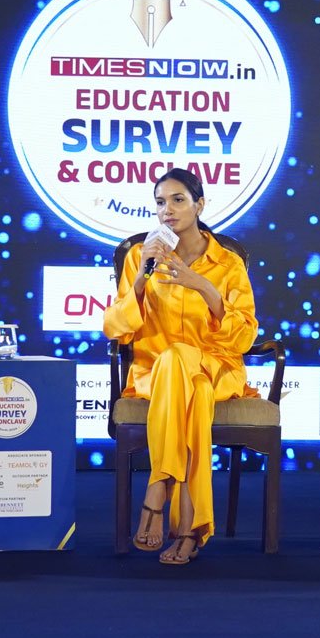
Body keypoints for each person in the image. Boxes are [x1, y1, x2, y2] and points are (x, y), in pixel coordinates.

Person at [103, 168, 259, 565]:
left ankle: (158, 487)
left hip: (217, 369)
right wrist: (141, 279)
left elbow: (243, 337)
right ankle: (191, 529)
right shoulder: (141, 256)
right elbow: (115, 328)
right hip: (157, 375)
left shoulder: (227, 263)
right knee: (187, 382)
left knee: (182, 363)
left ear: (199, 205)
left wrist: (202, 285)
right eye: (160, 202)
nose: (167, 210)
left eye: (178, 200)